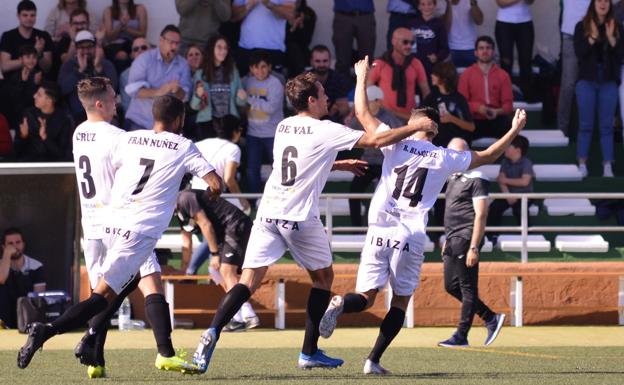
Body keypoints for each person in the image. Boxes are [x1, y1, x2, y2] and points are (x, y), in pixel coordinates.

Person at [191, 57, 439, 374]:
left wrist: (336, 164)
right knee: (324, 279)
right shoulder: (325, 129)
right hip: (298, 216)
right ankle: (309, 351)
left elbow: (298, 164)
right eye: (322, 95)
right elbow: (376, 140)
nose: (327, 99)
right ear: (311, 100)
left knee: (248, 281)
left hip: (268, 213)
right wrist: (416, 126)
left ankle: (212, 331)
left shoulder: (283, 125)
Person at [317, 60, 527, 375]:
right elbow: (489, 156)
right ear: (435, 129)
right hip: (410, 235)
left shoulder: (395, 142)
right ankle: (372, 360)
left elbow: (362, 114)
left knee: (366, 296)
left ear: (413, 123)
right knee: (399, 302)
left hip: (378, 229)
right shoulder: (444, 156)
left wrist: (361, 77)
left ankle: (341, 305)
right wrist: (514, 129)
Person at [17, 95, 223, 373]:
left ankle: (93, 346)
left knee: (130, 282)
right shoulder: (184, 146)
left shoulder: (133, 138)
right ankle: (47, 331)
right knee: (102, 296)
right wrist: (204, 192)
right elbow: (216, 183)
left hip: (109, 223)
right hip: (138, 231)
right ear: (179, 120)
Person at [70, 77, 206, 378]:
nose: (117, 100)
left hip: (91, 225)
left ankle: (97, 361)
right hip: (121, 222)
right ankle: (164, 353)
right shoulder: (119, 137)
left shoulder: (79, 133)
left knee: (100, 293)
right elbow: (140, 172)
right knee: (148, 283)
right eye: (112, 96)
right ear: (99, 103)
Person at [438, 137, 505, 348]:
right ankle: (490, 317)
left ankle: (461, 335)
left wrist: (474, 246)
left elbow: (481, 215)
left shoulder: (477, 177)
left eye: (459, 153)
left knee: (468, 288)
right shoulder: (452, 178)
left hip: (467, 237)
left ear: (467, 154)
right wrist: (447, 239)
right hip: (452, 238)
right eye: (452, 153)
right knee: (451, 286)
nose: (454, 158)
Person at [176, 190, 259, 331]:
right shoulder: (175, 211)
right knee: (214, 270)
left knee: (227, 271)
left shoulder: (185, 197)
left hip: (234, 224)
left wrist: (215, 254)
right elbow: (186, 240)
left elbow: (206, 225)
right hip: (224, 232)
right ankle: (242, 312)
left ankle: (243, 316)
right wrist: (184, 269)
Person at [575, 0, 622, 178]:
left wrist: (611, 39)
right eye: (599, 0)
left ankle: (608, 165)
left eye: (606, 0)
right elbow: (580, 53)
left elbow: (620, 55)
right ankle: (582, 163)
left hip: (608, 80)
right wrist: (593, 38)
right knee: (585, 124)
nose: (603, 3)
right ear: (593, 4)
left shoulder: (616, 27)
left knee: (606, 126)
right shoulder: (582, 26)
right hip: (587, 80)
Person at [348, 85, 404, 227]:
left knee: (388, 196)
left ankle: (387, 226)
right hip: (367, 162)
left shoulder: (389, 118)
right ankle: (356, 228)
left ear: (378, 101)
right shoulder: (360, 117)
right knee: (353, 192)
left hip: (385, 164)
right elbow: (349, 131)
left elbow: (398, 138)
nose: (366, 103)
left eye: (370, 100)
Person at [124, 24, 192, 131]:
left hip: (166, 127)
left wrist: (178, 90)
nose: (174, 47)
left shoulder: (183, 64)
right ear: (161, 40)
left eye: (177, 43)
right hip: (138, 122)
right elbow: (132, 89)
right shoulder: (144, 59)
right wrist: (158, 92)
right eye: (171, 42)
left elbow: (186, 96)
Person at [243, 50, 284, 196]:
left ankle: (279, 197)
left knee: (278, 167)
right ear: (250, 68)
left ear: (270, 67)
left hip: (272, 134)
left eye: (263, 67)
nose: (259, 71)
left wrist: (248, 99)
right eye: (256, 67)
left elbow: (270, 108)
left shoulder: (275, 84)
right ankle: (255, 200)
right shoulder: (246, 81)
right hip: (252, 134)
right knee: (252, 168)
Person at [191, 115, 251, 215]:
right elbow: (229, 179)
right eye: (240, 130)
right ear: (235, 131)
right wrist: (242, 199)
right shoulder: (233, 148)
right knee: (244, 209)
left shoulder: (200, 144)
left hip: (193, 197)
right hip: (212, 198)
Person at [190, 35, 247, 140]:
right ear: (212, 49)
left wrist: (243, 98)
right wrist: (198, 95)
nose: (223, 51)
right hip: (207, 124)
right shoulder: (200, 74)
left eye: (225, 48)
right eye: (219, 47)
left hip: (229, 123)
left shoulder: (233, 72)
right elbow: (194, 106)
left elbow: (240, 103)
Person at [369, 27, 430, 121]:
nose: (409, 46)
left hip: (409, 118)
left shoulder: (416, 63)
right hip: (385, 117)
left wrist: (423, 114)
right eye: (405, 42)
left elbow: (426, 92)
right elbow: (366, 89)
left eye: (412, 43)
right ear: (394, 41)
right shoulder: (380, 63)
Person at [458, 36, 513, 139]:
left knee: (510, 130)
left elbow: (508, 105)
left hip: (497, 118)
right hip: (475, 119)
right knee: (460, 133)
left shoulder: (503, 75)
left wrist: (497, 112)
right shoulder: (466, 74)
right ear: (476, 52)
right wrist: (478, 108)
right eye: (481, 48)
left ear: (493, 51)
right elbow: (462, 103)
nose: (485, 51)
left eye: (488, 48)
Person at [58, 30, 117, 125]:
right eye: (81, 47)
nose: (86, 51)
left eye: (89, 47)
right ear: (76, 49)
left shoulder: (106, 64)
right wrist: (80, 71)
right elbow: (61, 90)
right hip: (76, 114)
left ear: (95, 47)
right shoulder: (68, 65)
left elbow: (113, 88)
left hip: (103, 113)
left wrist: (98, 68)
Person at [486, 135, 534, 244]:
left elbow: (524, 182)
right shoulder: (505, 162)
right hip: (507, 195)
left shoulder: (527, 163)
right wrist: (508, 195)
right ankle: (492, 236)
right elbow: (500, 179)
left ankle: (527, 237)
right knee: (494, 207)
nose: (505, 148)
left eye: (508, 146)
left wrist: (505, 181)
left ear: (517, 150)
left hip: (524, 196)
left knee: (520, 210)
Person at [231, 0, 295, 76]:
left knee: (273, 86)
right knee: (243, 86)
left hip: (273, 48)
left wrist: (269, 3)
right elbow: (234, 16)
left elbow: (290, 14)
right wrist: (249, 5)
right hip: (246, 48)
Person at [13, 82, 73, 162]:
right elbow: (16, 150)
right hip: (28, 163)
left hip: (51, 166)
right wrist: (23, 136)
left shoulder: (63, 120)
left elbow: (61, 153)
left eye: (39, 95)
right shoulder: (29, 114)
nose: (34, 96)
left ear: (49, 100)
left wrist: (45, 137)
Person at [0, 228, 45, 329]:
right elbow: (1, 278)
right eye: (10, 243)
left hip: (27, 316)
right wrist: (7, 254)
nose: (15, 246)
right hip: (4, 315)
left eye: (18, 242)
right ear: (4, 247)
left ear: (23, 244)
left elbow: (38, 297)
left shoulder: (36, 266)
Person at [558, 0, 591, 137]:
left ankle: (587, 133)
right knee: (568, 85)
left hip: (592, 35)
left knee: (589, 84)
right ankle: (561, 131)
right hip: (570, 35)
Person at [423, 61, 474, 147]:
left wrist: (451, 119)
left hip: (455, 146)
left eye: (435, 74)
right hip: (435, 146)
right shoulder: (431, 98)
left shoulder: (459, 99)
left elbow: (471, 127)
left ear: (444, 78)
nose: (431, 76)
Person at [0, 1, 53, 79]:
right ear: (18, 16)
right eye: (25, 15)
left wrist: (39, 54)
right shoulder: (8, 36)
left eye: (32, 15)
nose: (29, 18)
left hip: (37, 82)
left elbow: (47, 68)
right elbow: (4, 66)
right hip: (13, 82)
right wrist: (34, 53)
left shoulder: (43, 36)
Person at [495, 0, 535, 100]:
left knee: (526, 61)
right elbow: (501, 3)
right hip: (504, 23)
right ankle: (505, 96)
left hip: (525, 22)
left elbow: (530, 1)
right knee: (506, 62)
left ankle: (526, 96)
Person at [332, 0, 376, 78]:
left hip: (365, 15)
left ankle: (366, 88)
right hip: (343, 15)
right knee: (342, 59)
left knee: (367, 58)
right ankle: (342, 87)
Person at [102, 0, 147, 72]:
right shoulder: (108, 11)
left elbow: (143, 34)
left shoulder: (140, 9)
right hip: (114, 45)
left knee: (141, 51)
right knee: (122, 55)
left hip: (133, 43)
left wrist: (127, 28)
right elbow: (109, 37)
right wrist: (120, 25)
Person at [408, 0, 449, 78]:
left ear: (435, 6)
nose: (426, 7)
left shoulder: (439, 25)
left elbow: (445, 49)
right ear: (419, 7)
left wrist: (437, 57)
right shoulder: (412, 23)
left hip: (431, 67)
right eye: (423, 4)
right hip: (414, 65)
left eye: (429, 4)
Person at [309, 45, 350, 123]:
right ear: (311, 62)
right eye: (317, 61)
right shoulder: (305, 79)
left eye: (325, 61)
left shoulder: (338, 78)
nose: (321, 64)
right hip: (310, 122)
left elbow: (344, 109)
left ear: (330, 61)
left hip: (333, 122)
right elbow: (299, 109)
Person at [6, 45, 42, 130]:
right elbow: (15, 100)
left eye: (34, 57)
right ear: (20, 59)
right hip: (20, 117)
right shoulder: (14, 77)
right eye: (28, 57)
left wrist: (37, 84)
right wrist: (23, 82)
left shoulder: (39, 75)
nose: (31, 60)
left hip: (37, 117)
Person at [444, 0, 484, 68]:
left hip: (470, 48)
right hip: (451, 49)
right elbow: (445, 28)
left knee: (473, 77)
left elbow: (479, 21)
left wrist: (473, 4)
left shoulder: (469, 2)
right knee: (451, 77)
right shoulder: (443, 4)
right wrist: (448, 4)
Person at [285, 0, 316, 77]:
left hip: (302, 48)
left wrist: (301, 25)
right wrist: (293, 27)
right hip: (284, 48)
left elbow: (307, 40)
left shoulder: (309, 13)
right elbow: (284, 38)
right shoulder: (281, 11)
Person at [119, 37, 149, 115]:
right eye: (136, 49)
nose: (140, 51)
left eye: (144, 47)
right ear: (132, 55)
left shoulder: (161, 69)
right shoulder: (125, 75)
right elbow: (126, 105)